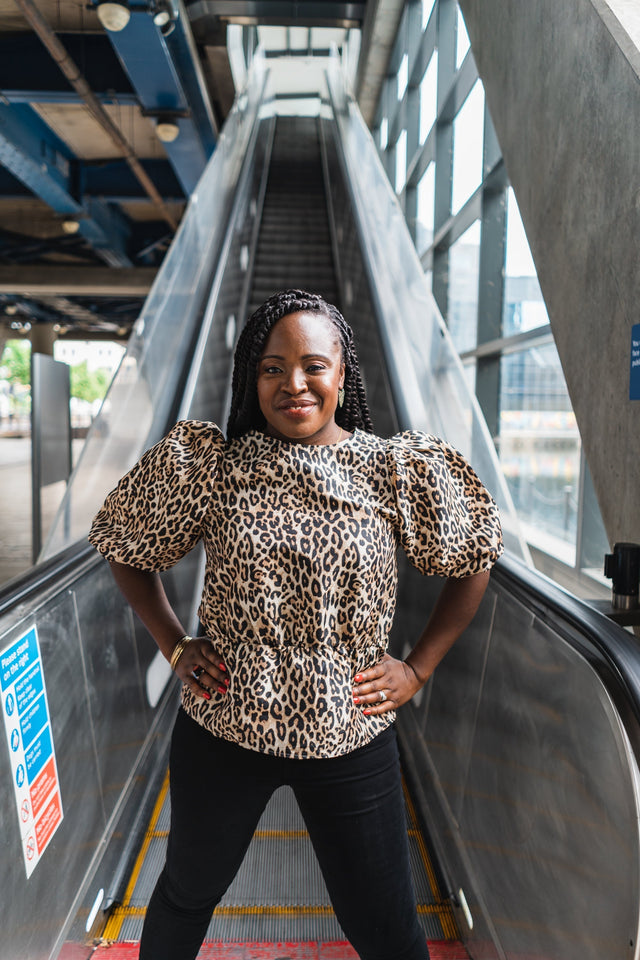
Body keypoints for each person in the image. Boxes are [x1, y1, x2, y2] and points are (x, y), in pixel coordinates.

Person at [89, 289, 503, 960]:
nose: (294, 383)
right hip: (226, 727)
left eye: (313, 364)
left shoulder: (390, 469)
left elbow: (473, 556)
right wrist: (173, 644)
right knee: (187, 895)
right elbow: (125, 547)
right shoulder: (213, 467)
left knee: (386, 926)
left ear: (343, 372)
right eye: (272, 367)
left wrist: (418, 667)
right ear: (253, 377)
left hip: (351, 734)